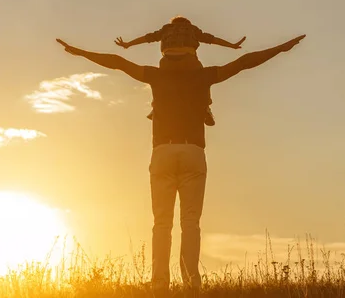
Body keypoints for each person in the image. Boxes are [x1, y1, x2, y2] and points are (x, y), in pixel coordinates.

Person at [56, 34, 306, 298]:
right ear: (193, 55)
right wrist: (281, 47)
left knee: (161, 224)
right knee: (190, 223)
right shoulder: (203, 76)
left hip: (162, 151)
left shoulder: (155, 75)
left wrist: (81, 51)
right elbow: (244, 62)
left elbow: (117, 61)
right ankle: (191, 286)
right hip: (193, 151)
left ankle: (159, 286)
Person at [114, 16, 246, 126]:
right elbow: (211, 39)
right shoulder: (192, 29)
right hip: (189, 61)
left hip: (167, 62)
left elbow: (147, 38)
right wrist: (231, 45)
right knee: (203, 77)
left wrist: (128, 44)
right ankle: (206, 108)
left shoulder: (166, 29)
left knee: (160, 80)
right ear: (187, 23)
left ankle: (155, 108)